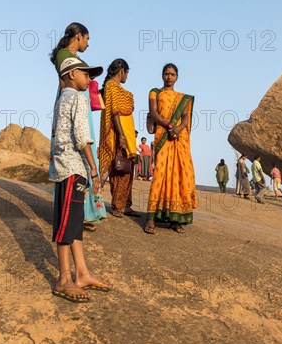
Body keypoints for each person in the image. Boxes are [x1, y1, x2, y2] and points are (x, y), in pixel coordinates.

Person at [49, 57, 111, 303]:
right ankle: (65, 278)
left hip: (70, 167)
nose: (90, 78)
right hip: (72, 169)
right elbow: (81, 136)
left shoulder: (62, 99)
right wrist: (93, 169)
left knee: (74, 222)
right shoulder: (76, 98)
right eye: (86, 74)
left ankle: (82, 272)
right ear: (71, 74)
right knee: (67, 224)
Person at [50, 22, 106, 231]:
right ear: (79, 36)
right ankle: (77, 211)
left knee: (85, 145)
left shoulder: (72, 58)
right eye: (87, 39)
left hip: (79, 102)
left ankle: (85, 211)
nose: (88, 44)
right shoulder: (65, 56)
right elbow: (67, 84)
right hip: (72, 101)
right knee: (77, 149)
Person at [144, 63, 197, 234]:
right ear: (162, 75)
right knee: (160, 174)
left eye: (172, 74)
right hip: (163, 136)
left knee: (180, 175)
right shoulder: (155, 92)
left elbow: (186, 116)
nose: (169, 77)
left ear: (177, 77)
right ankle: (151, 218)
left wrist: (179, 128)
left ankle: (176, 218)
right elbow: (153, 112)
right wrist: (169, 126)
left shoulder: (183, 98)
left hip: (178, 139)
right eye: (166, 74)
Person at [98, 59, 139, 218]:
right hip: (117, 135)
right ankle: (117, 205)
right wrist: (121, 135)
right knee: (117, 169)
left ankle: (126, 205)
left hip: (128, 136)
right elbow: (114, 112)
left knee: (127, 169)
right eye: (127, 73)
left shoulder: (121, 90)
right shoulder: (111, 87)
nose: (127, 77)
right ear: (122, 70)